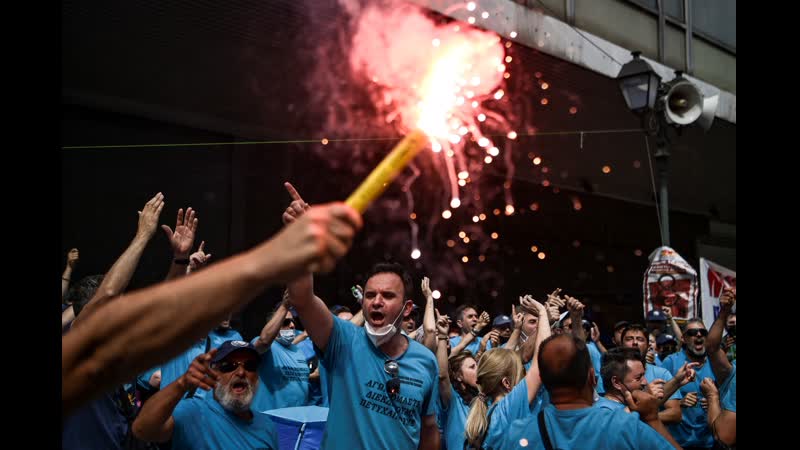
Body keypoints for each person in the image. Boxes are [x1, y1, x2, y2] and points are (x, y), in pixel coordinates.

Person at [63, 192, 362, 415]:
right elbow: (120, 303)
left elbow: (160, 312)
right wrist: (276, 257)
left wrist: (181, 261)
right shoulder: (77, 365)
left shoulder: (222, 343)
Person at [288, 259, 440, 449]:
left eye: (387, 295)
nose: (377, 302)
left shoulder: (426, 360)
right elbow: (302, 298)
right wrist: (301, 243)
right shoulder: (342, 340)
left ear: (407, 308)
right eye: (370, 295)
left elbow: (429, 427)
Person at [498, 334, 680, 449]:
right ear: (593, 377)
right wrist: (652, 418)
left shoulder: (518, 433)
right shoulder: (624, 426)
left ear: (544, 381)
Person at [132, 341, 279, 449]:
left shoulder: (267, 425)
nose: (241, 373)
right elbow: (143, 430)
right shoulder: (193, 412)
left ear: (257, 377)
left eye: (249, 366)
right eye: (229, 366)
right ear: (215, 374)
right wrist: (182, 383)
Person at [463, 297, 550, 450]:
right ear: (506, 383)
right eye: (519, 371)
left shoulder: (484, 416)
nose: (523, 375)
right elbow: (540, 364)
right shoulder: (508, 407)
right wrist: (543, 313)